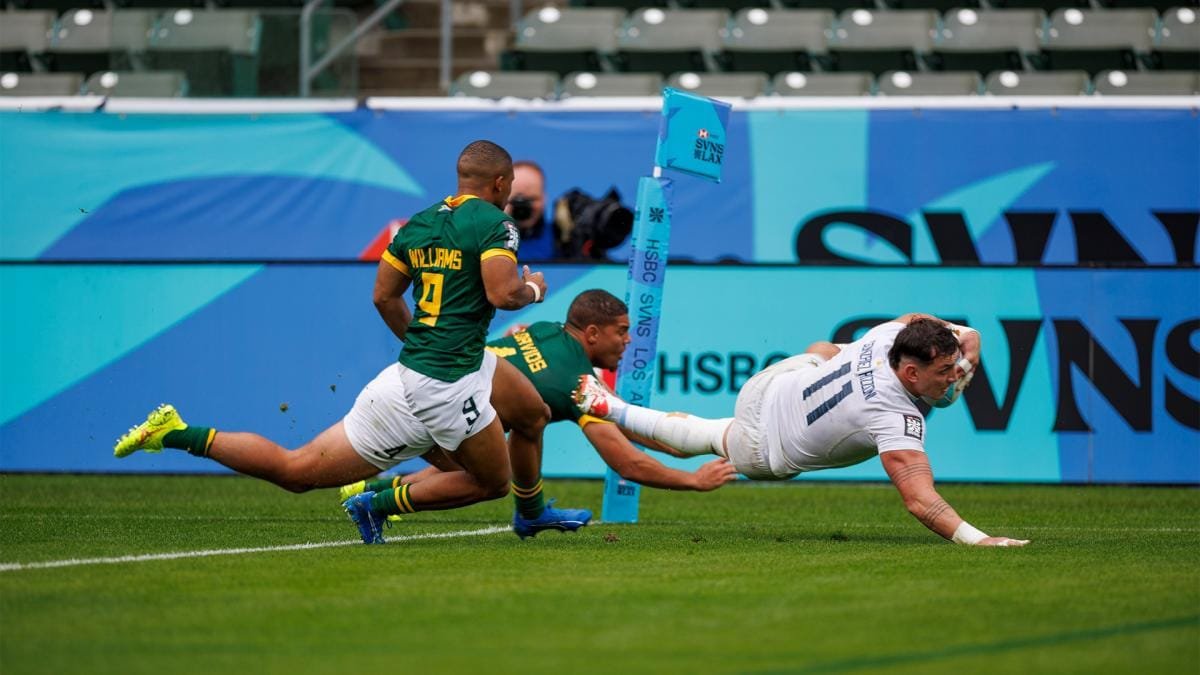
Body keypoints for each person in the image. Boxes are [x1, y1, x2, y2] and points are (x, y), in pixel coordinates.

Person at [113, 140, 588, 544]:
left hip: (421, 370)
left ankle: (175, 432)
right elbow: (503, 294)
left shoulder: (418, 225)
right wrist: (536, 289)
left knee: (531, 414)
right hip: (446, 384)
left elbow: (383, 297)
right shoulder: (496, 223)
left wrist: (425, 343)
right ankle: (376, 503)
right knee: (489, 483)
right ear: (502, 185)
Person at [574, 314, 1031, 547]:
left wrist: (960, 335)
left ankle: (613, 409)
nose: (955, 374)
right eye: (946, 369)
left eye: (956, 369)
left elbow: (914, 319)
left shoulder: (887, 336)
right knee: (710, 439)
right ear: (910, 374)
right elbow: (919, 499)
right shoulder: (896, 418)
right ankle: (610, 408)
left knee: (824, 350)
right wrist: (979, 539)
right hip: (767, 448)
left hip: (774, 384)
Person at [340, 290, 737, 521]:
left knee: (484, 455)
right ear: (593, 334)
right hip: (436, 407)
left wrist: (693, 443)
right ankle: (374, 503)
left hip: (412, 386)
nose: (628, 341)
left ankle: (366, 488)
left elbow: (629, 424)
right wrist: (692, 480)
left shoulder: (546, 331)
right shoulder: (578, 384)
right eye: (622, 332)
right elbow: (627, 462)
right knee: (490, 479)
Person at [505, 160, 555, 261]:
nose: (522, 207)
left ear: (544, 198)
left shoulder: (562, 239)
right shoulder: (483, 240)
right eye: (515, 200)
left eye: (532, 199)